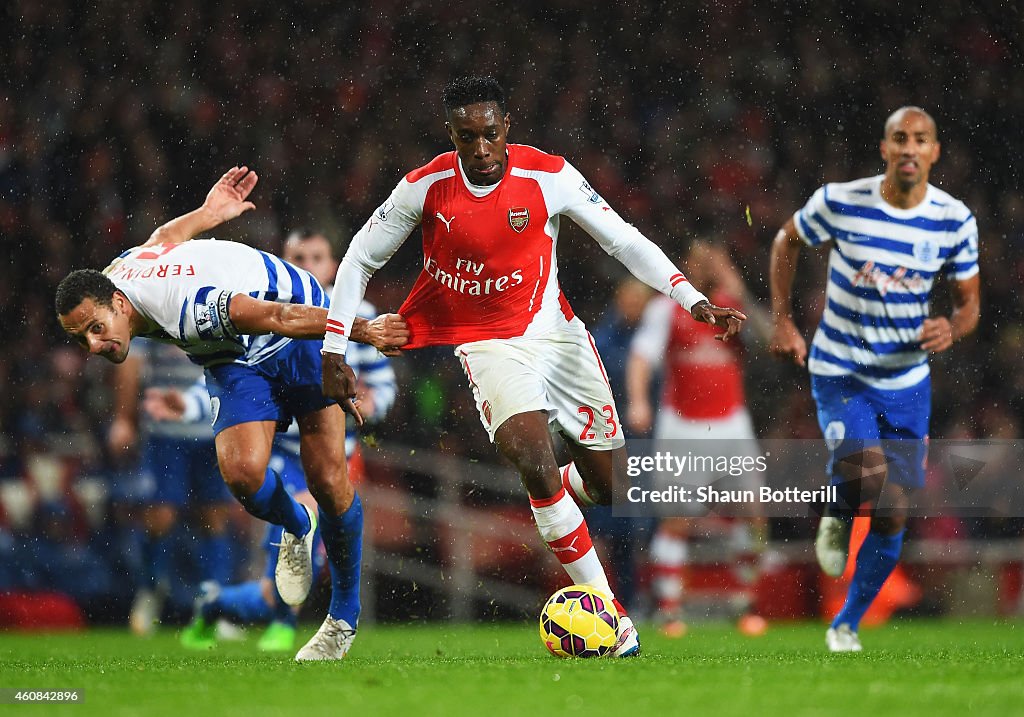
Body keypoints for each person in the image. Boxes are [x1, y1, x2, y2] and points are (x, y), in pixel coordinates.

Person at [319, 76, 746, 657]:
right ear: (452, 136)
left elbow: (623, 241)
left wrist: (691, 298)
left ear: (506, 128)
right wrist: (334, 347)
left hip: (557, 337)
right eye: (467, 137)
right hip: (486, 343)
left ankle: (562, 482)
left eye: (490, 134)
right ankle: (613, 617)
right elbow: (360, 258)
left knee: (609, 485)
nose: (481, 149)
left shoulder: (549, 175)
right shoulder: (423, 189)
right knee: (532, 460)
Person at [55, 167, 409, 661]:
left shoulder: (184, 307)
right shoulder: (115, 277)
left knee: (328, 480)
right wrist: (208, 214)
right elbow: (162, 239)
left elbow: (278, 318)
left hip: (293, 319)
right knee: (242, 474)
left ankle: (342, 621)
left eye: (95, 328)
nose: (93, 345)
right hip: (233, 355)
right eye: (80, 339)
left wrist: (363, 331)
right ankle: (296, 524)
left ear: (118, 304)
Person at [768, 107, 980, 651]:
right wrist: (784, 320)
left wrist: (952, 329)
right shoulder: (841, 200)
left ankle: (847, 623)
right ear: (884, 149)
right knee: (869, 474)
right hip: (841, 369)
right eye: (900, 139)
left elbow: (969, 306)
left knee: (893, 512)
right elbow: (785, 240)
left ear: (935, 152)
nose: (910, 148)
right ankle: (840, 506)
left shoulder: (954, 220)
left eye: (921, 140)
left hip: (907, 380)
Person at [176, 227, 397, 652]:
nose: (308, 266)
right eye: (299, 258)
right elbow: (230, 380)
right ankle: (286, 623)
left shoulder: (358, 312)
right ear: (282, 261)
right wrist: (186, 408)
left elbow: (384, 386)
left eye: (316, 258)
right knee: (299, 537)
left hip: (336, 450)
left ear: (332, 266)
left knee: (301, 560)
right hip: (280, 452)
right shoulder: (263, 307)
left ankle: (218, 604)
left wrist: (367, 404)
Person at [626, 239, 771, 637]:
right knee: (677, 519)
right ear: (686, 264)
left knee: (754, 513)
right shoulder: (666, 309)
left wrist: (737, 287)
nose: (705, 265)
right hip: (682, 424)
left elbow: (767, 340)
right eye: (698, 258)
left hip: (731, 423)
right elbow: (641, 356)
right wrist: (638, 401)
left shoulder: (733, 306)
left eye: (713, 258)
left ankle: (747, 603)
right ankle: (669, 609)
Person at [109, 337, 235, 636]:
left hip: (213, 429)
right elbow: (131, 363)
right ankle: (151, 589)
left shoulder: (215, 300)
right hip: (165, 432)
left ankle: (215, 606)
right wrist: (124, 419)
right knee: (160, 516)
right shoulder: (155, 303)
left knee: (214, 518)